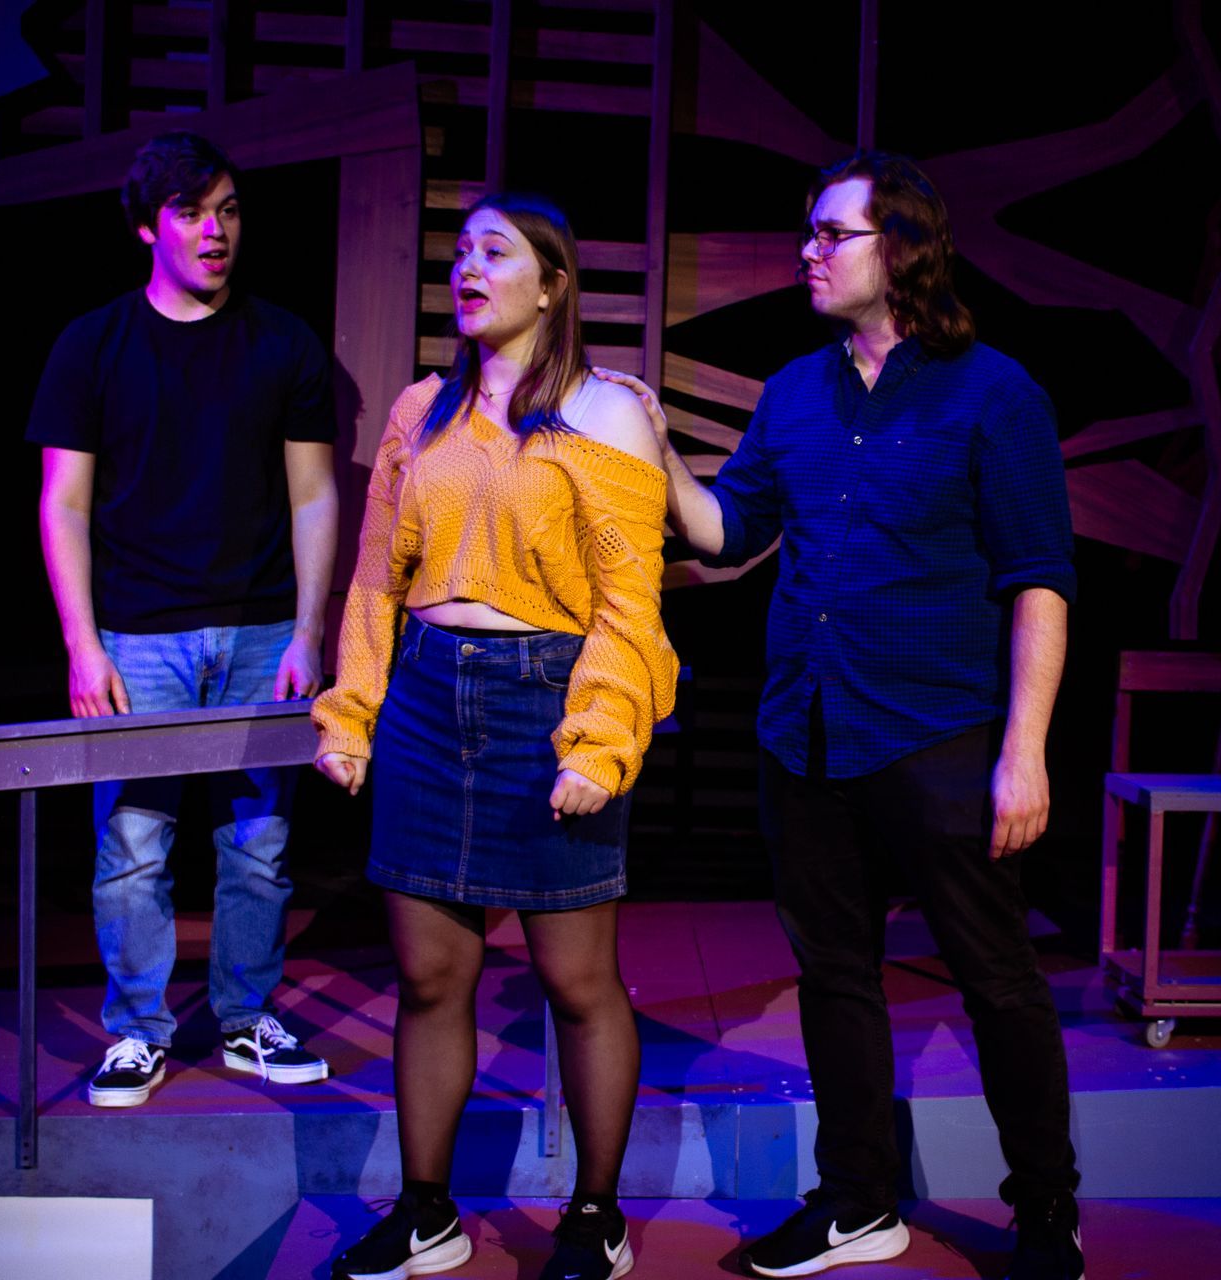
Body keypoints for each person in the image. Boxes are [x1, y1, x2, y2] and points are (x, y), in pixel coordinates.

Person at [596, 151, 1083, 1280]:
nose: (806, 251)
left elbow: (1040, 580)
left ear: (899, 250)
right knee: (836, 975)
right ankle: (859, 1200)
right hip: (807, 732)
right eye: (807, 232)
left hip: (940, 732)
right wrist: (659, 451)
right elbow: (729, 532)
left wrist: (1025, 751)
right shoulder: (793, 393)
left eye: (831, 234)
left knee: (997, 979)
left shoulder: (995, 393)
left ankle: (1046, 1210)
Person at [312, 192, 675, 1280]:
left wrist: (599, 739)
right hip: (427, 699)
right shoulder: (422, 410)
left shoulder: (605, 412)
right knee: (430, 975)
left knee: (576, 980)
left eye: (497, 251)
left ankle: (595, 1216)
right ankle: (428, 1210)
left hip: (544, 701)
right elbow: (376, 577)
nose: (468, 267)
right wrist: (353, 709)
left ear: (553, 285)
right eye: (462, 250)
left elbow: (629, 606)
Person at [29, 130, 338, 1107]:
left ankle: (245, 1018)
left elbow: (314, 495)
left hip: (261, 630)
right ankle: (137, 1031)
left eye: (229, 211)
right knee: (133, 846)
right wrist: (82, 643)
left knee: (260, 843)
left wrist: (309, 632)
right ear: (146, 227)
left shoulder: (283, 342)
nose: (216, 231)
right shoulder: (92, 346)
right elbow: (63, 503)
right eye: (193, 212)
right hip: (136, 635)